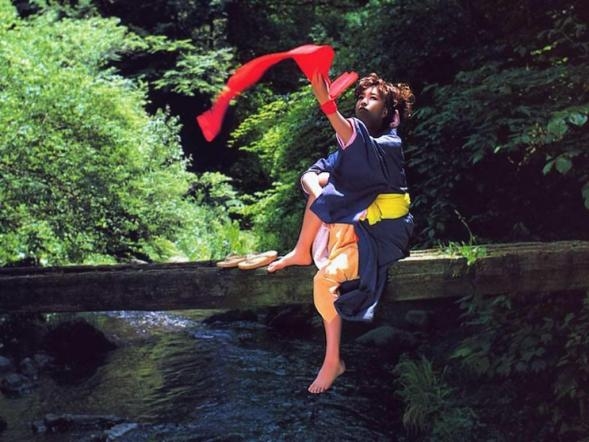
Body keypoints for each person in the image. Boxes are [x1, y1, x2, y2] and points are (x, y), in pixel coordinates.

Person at [268, 71, 415, 394]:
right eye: (360, 97)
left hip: (384, 236)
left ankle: (333, 359)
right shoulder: (353, 146)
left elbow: (352, 137)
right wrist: (318, 191)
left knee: (323, 281)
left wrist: (326, 103)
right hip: (357, 230)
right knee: (322, 183)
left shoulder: (390, 144)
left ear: (388, 113)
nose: (363, 101)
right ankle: (301, 251)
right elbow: (313, 173)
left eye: (373, 98)